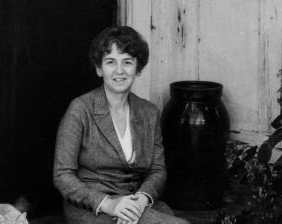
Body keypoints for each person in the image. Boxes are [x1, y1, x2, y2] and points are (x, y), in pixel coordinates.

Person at [53, 26, 189, 224]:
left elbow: (157, 170)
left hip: (135, 204)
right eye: (110, 62)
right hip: (92, 208)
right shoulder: (80, 109)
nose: (119, 71)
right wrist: (110, 205)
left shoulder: (148, 112)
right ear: (99, 69)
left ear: (138, 68)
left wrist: (139, 202)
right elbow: (62, 175)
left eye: (127, 62)